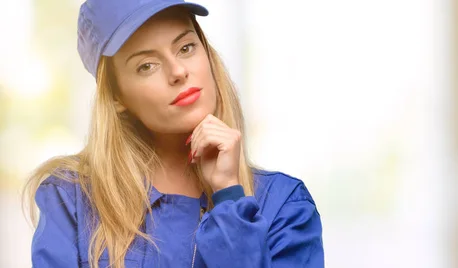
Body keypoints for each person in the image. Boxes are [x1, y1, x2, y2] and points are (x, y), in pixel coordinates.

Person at [24, 0, 324, 267]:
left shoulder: (285, 205)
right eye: (147, 66)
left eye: (185, 47)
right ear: (117, 97)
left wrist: (229, 197)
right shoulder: (70, 199)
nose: (178, 71)